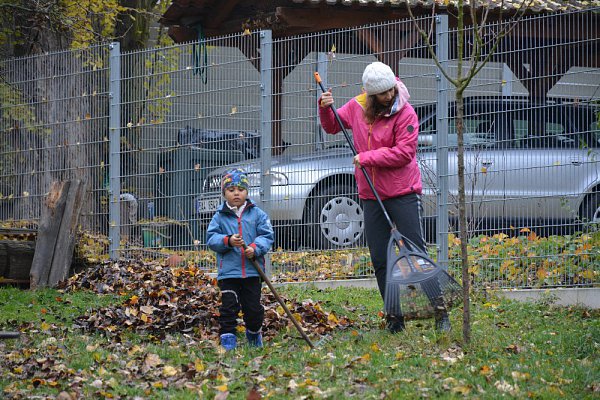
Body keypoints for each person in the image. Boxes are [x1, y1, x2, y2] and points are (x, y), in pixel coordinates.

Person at [318, 61, 451, 333]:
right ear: (370, 94)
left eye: (390, 90)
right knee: (380, 259)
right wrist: (325, 108)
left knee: (416, 255)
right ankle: (394, 318)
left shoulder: (406, 113)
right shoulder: (357, 105)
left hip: (402, 193)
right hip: (370, 195)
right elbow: (334, 126)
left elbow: (405, 153)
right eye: (382, 93)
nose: (389, 96)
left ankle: (440, 313)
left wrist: (367, 158)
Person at [206, 168, 275, 350]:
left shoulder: (257, 214)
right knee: (229, 307)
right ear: (224, 193)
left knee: (253, 309)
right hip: (228, 273)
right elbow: (211, 239)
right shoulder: (219, 216)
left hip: (252, 272)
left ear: (247, 192)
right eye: (231, 190)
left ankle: (253, 336)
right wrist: (227, 240)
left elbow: (267, 235)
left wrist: (254, 248)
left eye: (241, 189)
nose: (236, 193)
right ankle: (228, 342)